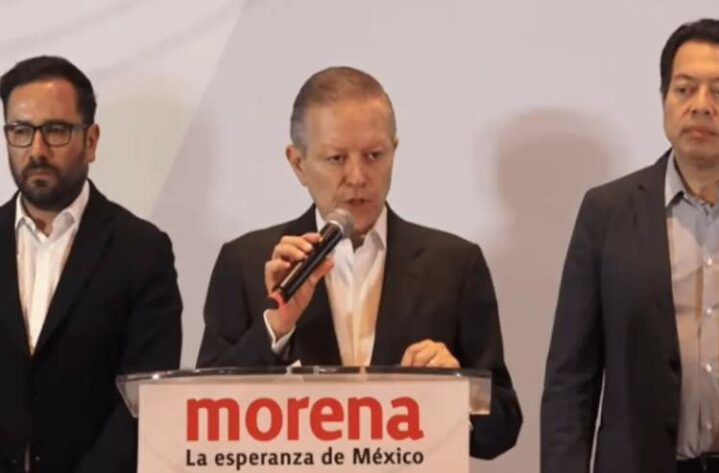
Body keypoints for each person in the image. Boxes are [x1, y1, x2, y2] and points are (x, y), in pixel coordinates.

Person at [197, 66, 522, 459]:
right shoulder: (247, 263)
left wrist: (456, 388)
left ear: (394, 151)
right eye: (336, 158)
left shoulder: (454, 264)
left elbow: (502, 427)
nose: (357, 176)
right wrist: (276, 326)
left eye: (373, 155)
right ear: (298, 164)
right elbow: (199, 415)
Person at [542, 18, 719, 473]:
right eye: (684, 89)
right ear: (664, 99)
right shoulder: (607, 211)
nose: (700, 106)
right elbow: (571, 378)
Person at [0, 56, 182, 473]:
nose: (37, 150)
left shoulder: (143, 251)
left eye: (56, 131)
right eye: (21, 131)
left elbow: (144, 398)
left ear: (91, 140)